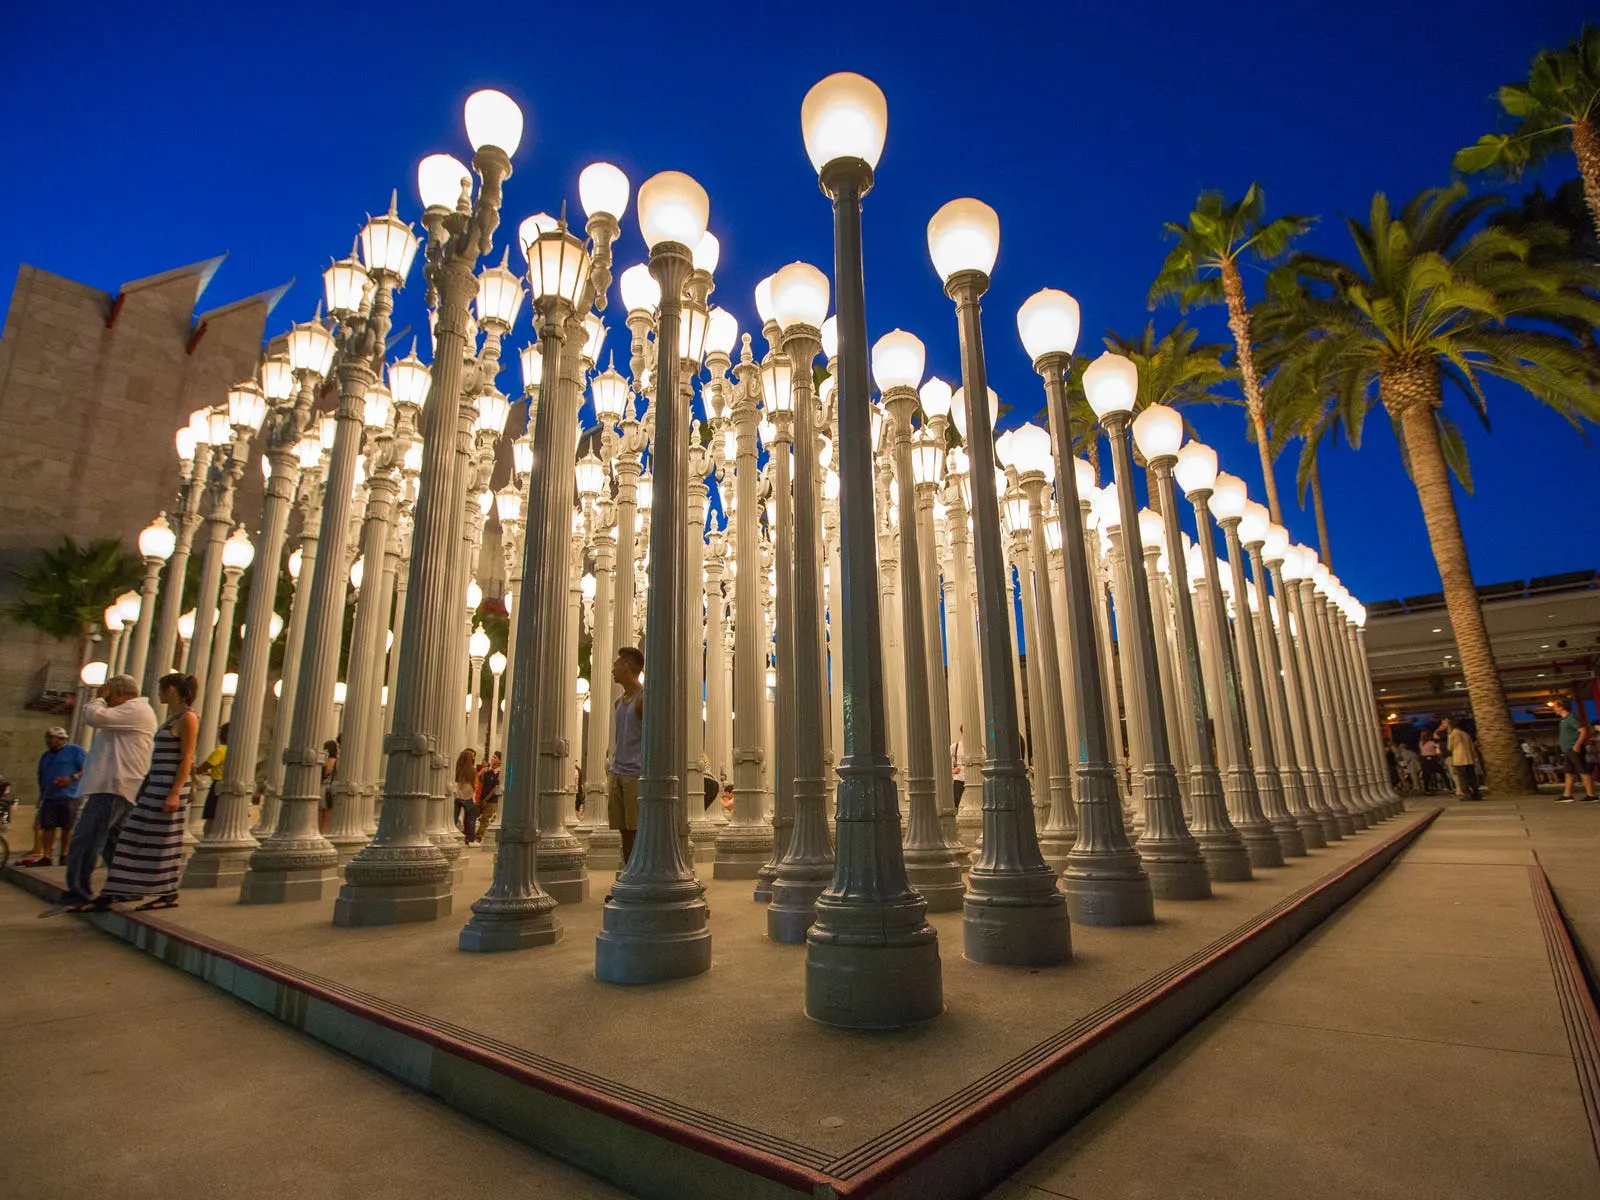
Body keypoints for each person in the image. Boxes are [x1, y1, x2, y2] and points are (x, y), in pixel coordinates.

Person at [71, 673, 199, 912]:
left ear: (171, 690)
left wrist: (175, 792)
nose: (158, 694)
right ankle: (116, 891)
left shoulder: (188, 718)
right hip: (155, 785)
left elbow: (187, 757)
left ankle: (167, 892)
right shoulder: (173, 718)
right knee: (131, 839)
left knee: (162, 841)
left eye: (161, 689)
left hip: (168, 787)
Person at [46, 674, 156, 912]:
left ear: (119, 694)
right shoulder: (130, 711)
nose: (108, 701)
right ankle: (126, 887)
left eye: (110, 696)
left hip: (113, 786)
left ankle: (79, 891)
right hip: (116, 785)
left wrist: (99, 697)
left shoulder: (134, 709)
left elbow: (93, 716)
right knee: (114, 842)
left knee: (86, 839)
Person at [21, 725, 87, 868]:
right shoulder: (46, 756)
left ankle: (65, 854)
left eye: (53, 738)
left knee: (67, 826)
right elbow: (41, 775)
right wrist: (41, 795)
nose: (50, 741)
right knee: (48, 827)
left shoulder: (74, 751)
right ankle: (47, 856)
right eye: (49, 738)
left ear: (62, 739)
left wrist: (72, 778)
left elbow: (87, 768)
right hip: (50, 796)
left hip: (69, 796)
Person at [607, 646, 645, 864]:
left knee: (635, 828)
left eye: (616, 665)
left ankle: (635, 870)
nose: (613, 670)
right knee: (622, 828)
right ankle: (628, 869)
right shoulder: (619, 702)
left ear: (626, 666)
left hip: (635, 774)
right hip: (618, 771)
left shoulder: (643, 699)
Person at [1552, 699, 1596, 803]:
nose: (1554, 709)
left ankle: (1591, 795)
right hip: (1567, 750)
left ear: (1561, 707)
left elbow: (1583, 731)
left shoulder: (1571, 718)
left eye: (1555, 707)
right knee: (1568, 772)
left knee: (1583, 771)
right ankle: (1567, 795)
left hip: (1573, 749)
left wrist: (1577, 745)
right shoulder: (1564, 720)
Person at [1440, 718, 1482, 802]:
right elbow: (1472, 747)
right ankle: (1476, 794)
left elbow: (1449, 747)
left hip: (1459, 759)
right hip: (1469, 758)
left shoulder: (1452, 735)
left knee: (1463, 778)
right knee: (1472, 777)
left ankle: (1467, 794)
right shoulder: (1466, 734)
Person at [198, 721, 229, 832]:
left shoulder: (221, 750)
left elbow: (206, 765)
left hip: (217, 787)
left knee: (211, 817)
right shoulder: (234, 751)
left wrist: (193, 770)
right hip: (226, 785)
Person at [453, 747, 478, 844]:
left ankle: (453, 835)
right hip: (468, 796)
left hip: (457, 796)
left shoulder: (457, 769)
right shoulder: (471, 770)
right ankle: (470, 839)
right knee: (470, 818)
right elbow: (475, 785)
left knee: (454, 817)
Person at [475, 751, 502, 836]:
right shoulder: (488, 771)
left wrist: (486, 799)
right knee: (472, 814)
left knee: (485, 818)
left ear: (500, 761)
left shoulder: (500, 773)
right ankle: (470, 835)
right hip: (482, 798)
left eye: (495, 758)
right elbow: (482, 782)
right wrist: (482, 772)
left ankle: (478, 837)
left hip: (492, 800)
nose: (492, 759)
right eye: (492, 757)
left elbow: (495, 788)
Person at [318, 738, 339, 831]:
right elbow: (330, 773)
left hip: (320, 788)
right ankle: (324, 833)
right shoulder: (334, 761)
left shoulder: (323, 761)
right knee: (327, 817)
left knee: (319, 816)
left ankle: (319, 832)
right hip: (328, 790)